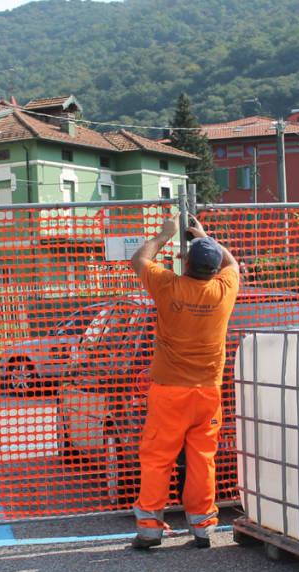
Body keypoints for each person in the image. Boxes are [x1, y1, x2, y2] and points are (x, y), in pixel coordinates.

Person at [128, 213, 240, 549]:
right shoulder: (224, 290)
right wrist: (204, 235)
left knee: (158, 458)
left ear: (185, 262)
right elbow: (231, 262)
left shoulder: (167, 285)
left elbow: (139, 259)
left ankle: (150, 529)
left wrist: (166, 233)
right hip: (208, 391)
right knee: (203, 457)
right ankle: (203, 527)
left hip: (169, 391)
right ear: (213, 269)